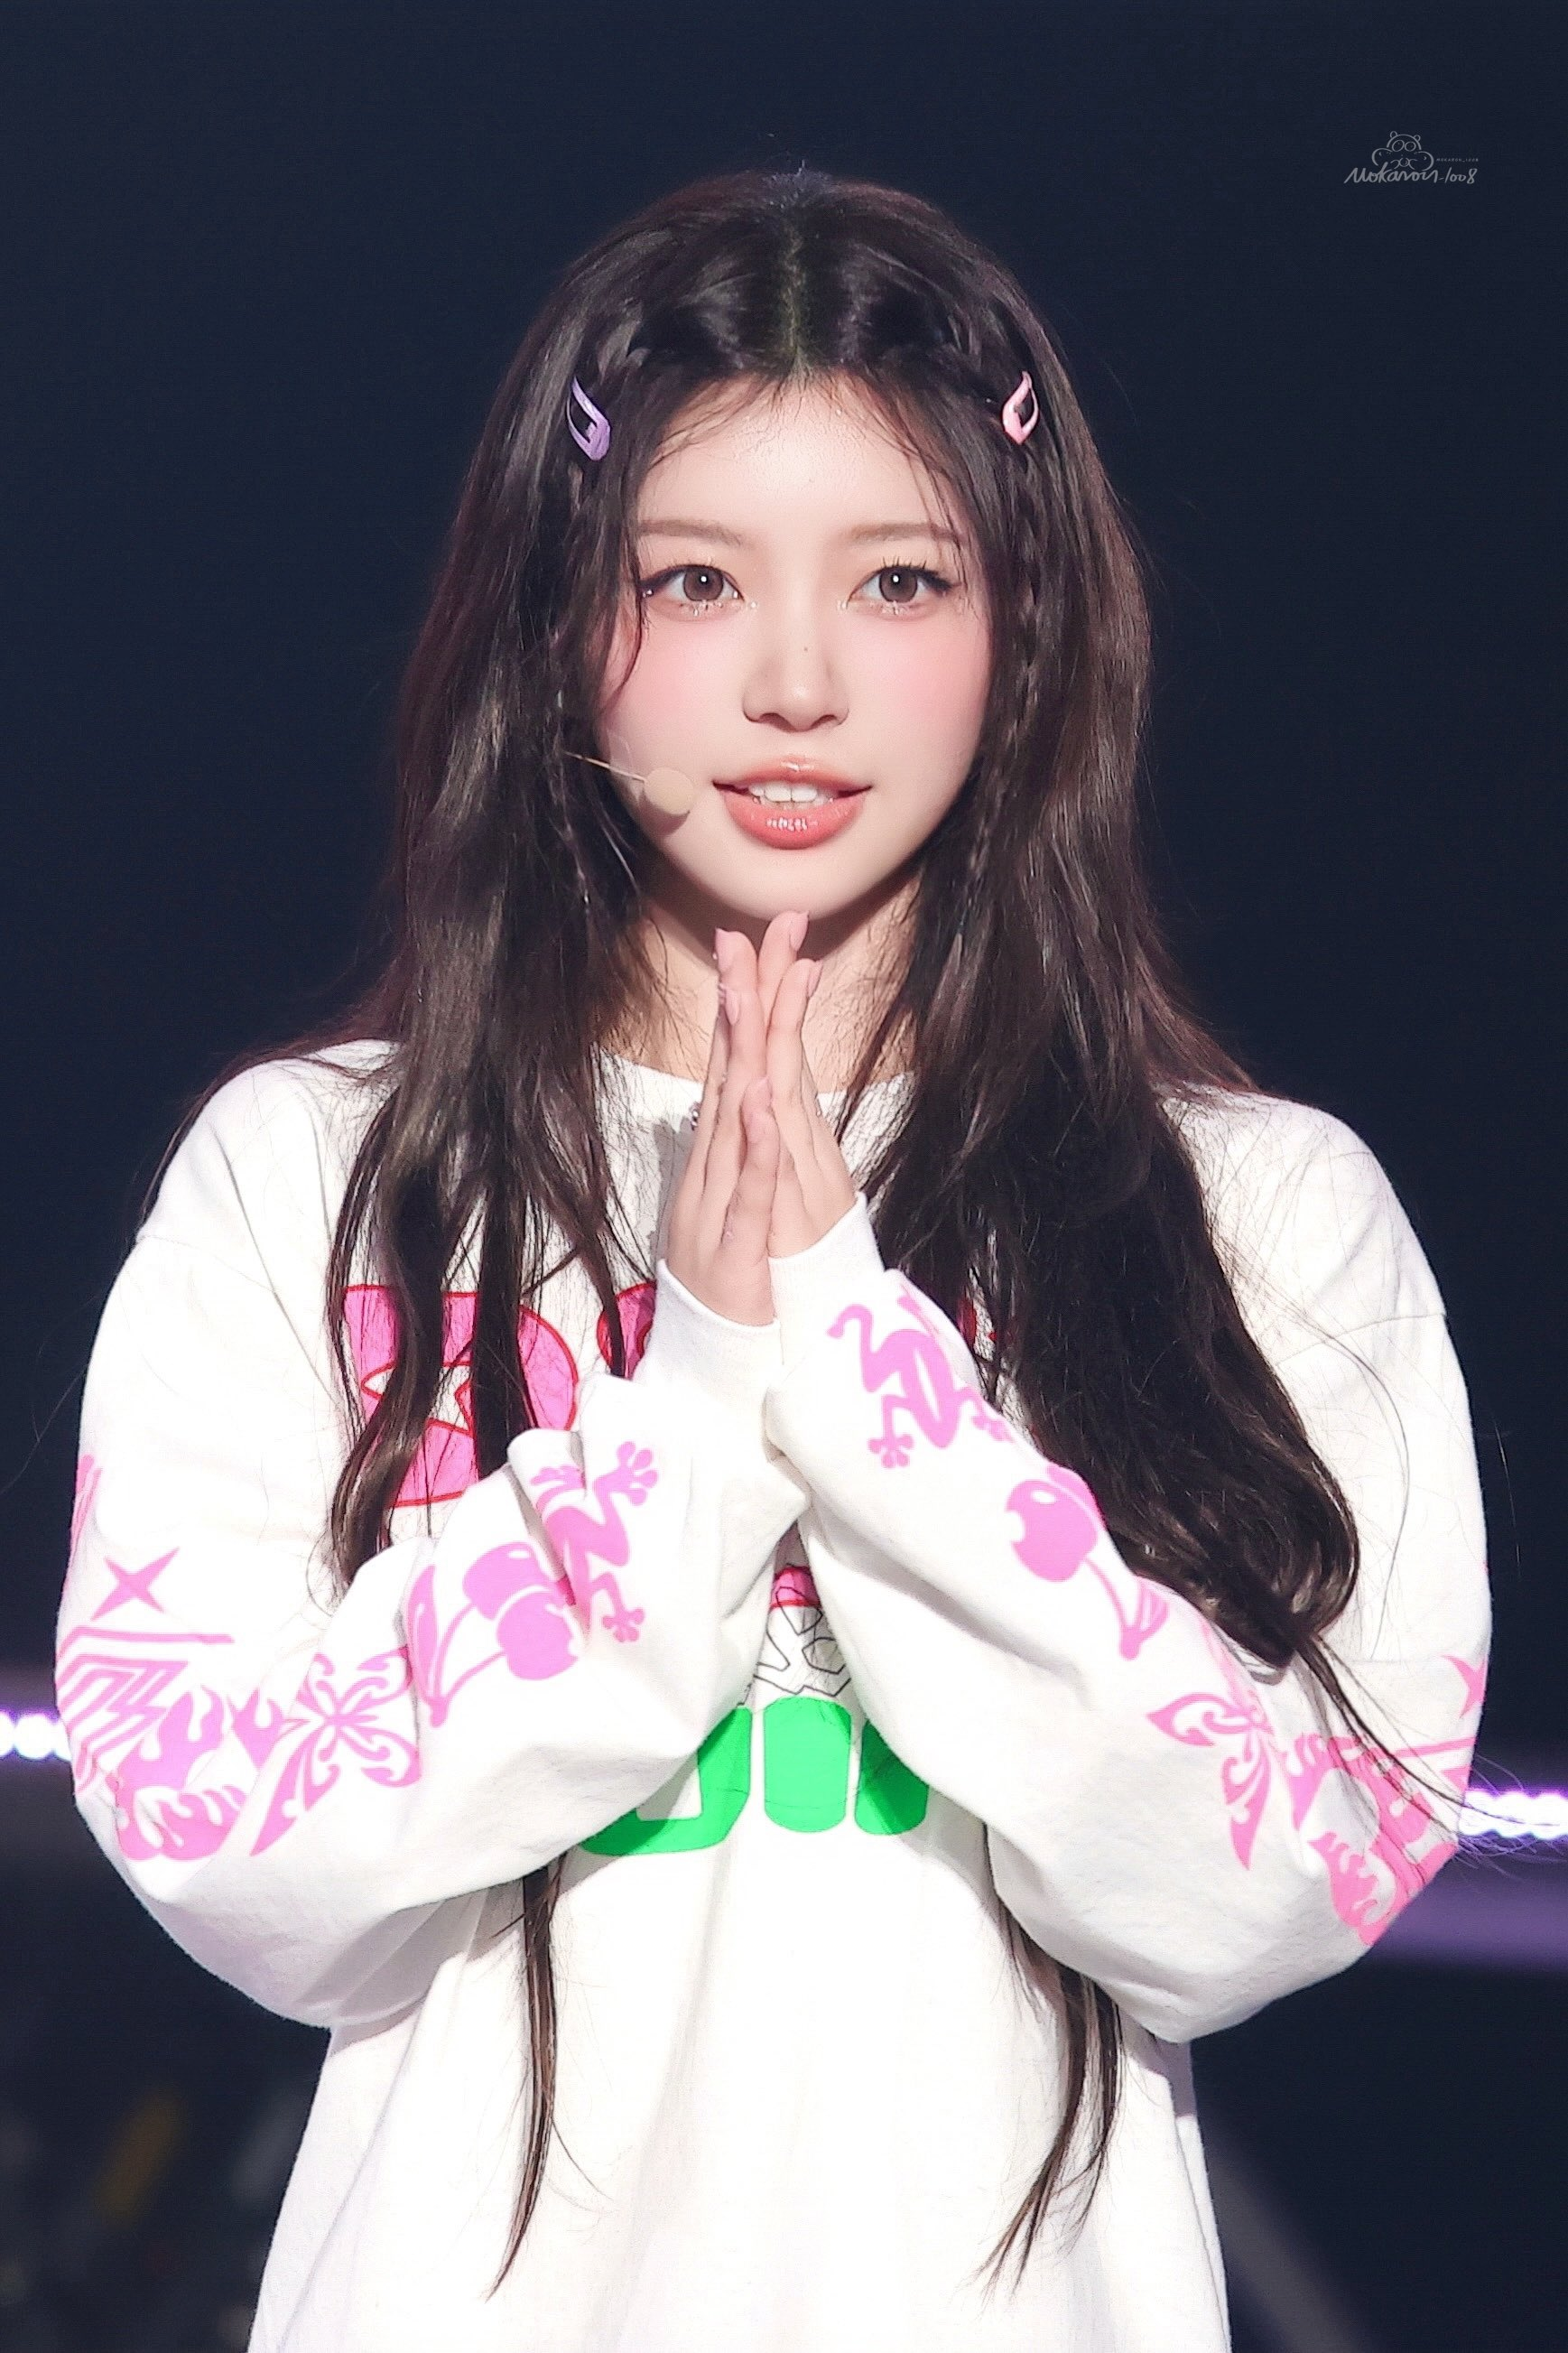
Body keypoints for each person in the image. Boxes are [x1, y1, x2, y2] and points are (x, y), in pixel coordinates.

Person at [55, 167, 1489, 2352]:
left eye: (899, 578)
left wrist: (854, 1371)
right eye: (697, 581)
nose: (799, 682)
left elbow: (1276, 1879)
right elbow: (227, 1849)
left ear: (1022, 623)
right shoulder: (310, 1174)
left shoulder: (1257, 1211)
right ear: (565, 621)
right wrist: (698, 1406)